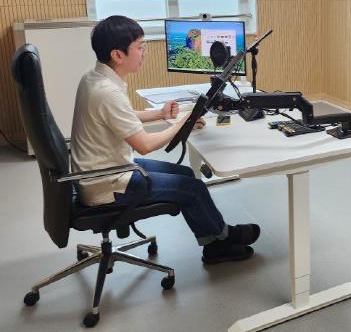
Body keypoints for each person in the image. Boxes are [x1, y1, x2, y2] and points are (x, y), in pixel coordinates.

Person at [70, 15, 260, 265]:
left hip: (104, 168)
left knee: (186, 174)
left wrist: (159, 114)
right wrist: (184, 122)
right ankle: (219, 244)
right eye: (140, 47)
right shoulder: (107, 92)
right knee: (193, 189)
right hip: (108, 183)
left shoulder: (94, 78)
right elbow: (145, 145)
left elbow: (120, 115)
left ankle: (215, 236)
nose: (144, 53)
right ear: (117, 55)